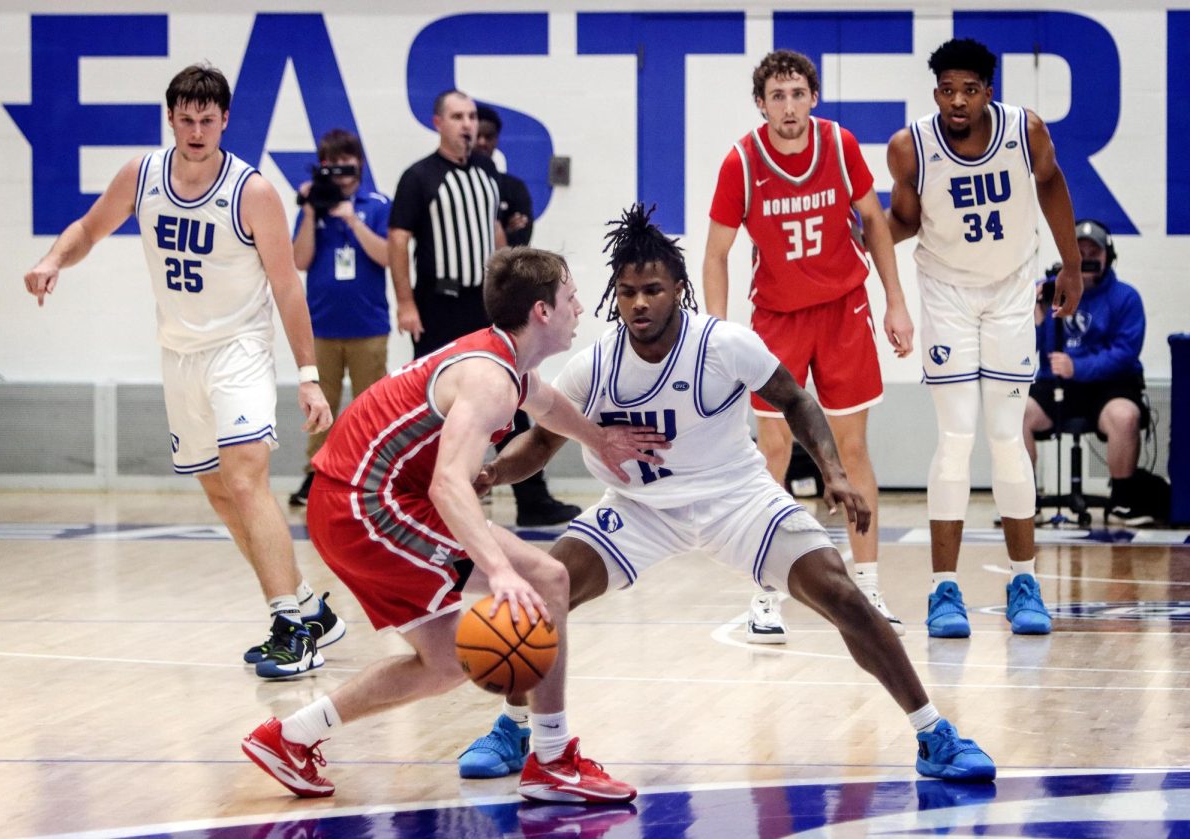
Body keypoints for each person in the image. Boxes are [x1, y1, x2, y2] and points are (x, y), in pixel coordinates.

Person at [458, 204, 995, 789]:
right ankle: (514, 727)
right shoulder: (596, 364)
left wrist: (833, 471)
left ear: (679, 289)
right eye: (628, 291)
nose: (639, 303)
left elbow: (796, 399)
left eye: (653, 290)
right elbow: (541, 440)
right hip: (637, 510)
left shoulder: (724, 344)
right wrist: (494, 472)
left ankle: (933, 731)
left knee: (841, 593)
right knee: (539, 593)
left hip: (736, 499)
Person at [241, 247, 665, 801]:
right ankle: (554, 759)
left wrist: (601, 439)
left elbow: (546, 404)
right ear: (541, 310)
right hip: (367, 503)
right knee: (547, 576)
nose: (580, 307)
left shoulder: (506, 363)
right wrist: (499, 570)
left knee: (446, 663)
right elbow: (447, 485)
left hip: (357, 503)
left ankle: (290, 736)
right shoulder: (489, 378)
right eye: (570, 296)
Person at [23, 64, 345, 678]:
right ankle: (309, 609)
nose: (196, 130)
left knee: (246, 477)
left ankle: (288, 626)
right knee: (222, 492)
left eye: (208, 119)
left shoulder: (252, 192)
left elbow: (287, 287)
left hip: (239, 352)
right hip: (179, 355)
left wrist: (308, 372)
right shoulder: (141, 176)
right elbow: (91, 228)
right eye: (186, 118)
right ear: (171, 118)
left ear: (225, 121)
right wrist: (53, 259)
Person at [703, 50, 914, 642]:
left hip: (844, 310)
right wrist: (717, 335)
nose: (789, 106)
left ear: (813, 97)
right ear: (761, 104)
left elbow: (875, 222)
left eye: (798, 93)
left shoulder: (841, 144)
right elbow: (715, 255)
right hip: (776, 319)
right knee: (771, 455)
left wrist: (895, 301)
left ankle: (868, 587)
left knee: (851, 452)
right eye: (778, 96)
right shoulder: (742, 162)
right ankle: (766, 592)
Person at [886, 38, 1083, 638]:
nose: (957, 101)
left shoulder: (1027, 132)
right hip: (946, 293)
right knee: (954, 436)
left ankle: (1025, 580)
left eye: (969, 89)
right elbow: (905, 219)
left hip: (1008, 291)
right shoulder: (910, 146)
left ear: (989, 92)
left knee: (1004, 435)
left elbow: (1051, 185)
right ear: (935, 93)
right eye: (947, 89)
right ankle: (944, 591)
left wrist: (1070, 266)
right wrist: (856, 238)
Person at [389, 89, 578, 527]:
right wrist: (405, 302)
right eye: (457, 116)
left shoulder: (487, 173)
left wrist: (507, 290)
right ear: (438, 122)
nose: (467, 124)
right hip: (438, 304)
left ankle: (532, 497)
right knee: (435, 407)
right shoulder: (418, 177)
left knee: (512, 396)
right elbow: (399, 239)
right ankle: (424, 499)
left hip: (483, 304)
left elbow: (493, 232)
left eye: (471, 116)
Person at [287, 129, 391, 508]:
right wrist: (312, 210)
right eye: (332, 165)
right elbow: (298, 261)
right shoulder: (313, 208)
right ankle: (316, 475)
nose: (341, 173)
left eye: (347, 164)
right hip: (321, 326)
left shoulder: (377, 204)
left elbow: (387, 255)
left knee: (371, 405)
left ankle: (372, 475)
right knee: (320, 404)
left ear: (359, 164)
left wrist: (353, 220)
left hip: (368, 325)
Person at [1025, 220, 1151, 525]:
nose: (1086, 258)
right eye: (1078, 252)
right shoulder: (1052, 292)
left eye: (1093, 251)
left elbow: (1125, 353)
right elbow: (1040, 355)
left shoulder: (1126, 298)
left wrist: (1077, 367)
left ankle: (1122, 501)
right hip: (1059, 384)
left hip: (1110, 384)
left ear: (1108, 255)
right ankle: (1026, 502)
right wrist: (1038, 317)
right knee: (1017, 412)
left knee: (1125, 417)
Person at [475, 105, 534, 247]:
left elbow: (520, 242)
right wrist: (505, 230)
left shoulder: (514, 187)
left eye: (488, 137)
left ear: (496, 140)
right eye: (477, 136)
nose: (482, 142)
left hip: (503, 268)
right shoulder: (453, 182)